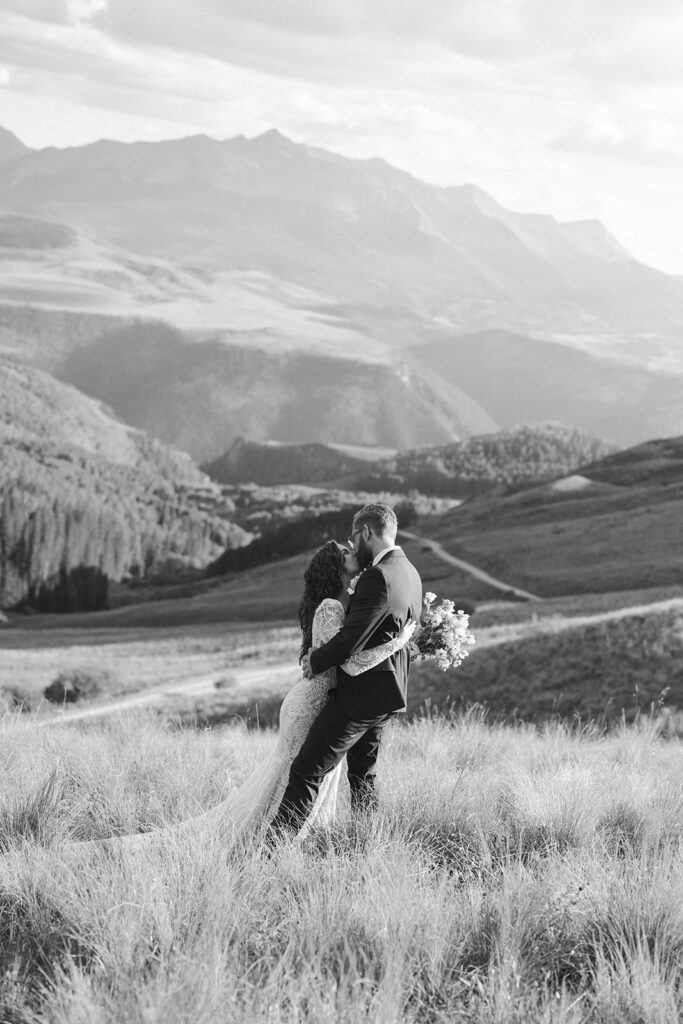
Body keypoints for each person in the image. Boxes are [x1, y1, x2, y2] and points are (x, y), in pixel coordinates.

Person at [101, 536, 415, 851]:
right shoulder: (332, 607)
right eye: (345, 552)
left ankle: (282, 843)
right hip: (312, 703)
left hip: (321, 700)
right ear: (335, 568)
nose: (353, 551)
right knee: (299, 773)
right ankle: (265, 847)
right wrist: (398, 641)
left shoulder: (340, 601)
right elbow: (343, 657)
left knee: (300, 773)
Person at [265, 503, 423, 842]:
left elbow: (351, 640)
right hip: (388, 693)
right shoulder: (410, 572)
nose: (352, 545)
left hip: (360, 698)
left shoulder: (378, 577)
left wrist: (315, 660)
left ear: (366, 532)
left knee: (307, 771)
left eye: (354, 537)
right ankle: (370, 842)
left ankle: (273, 850)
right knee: (364, 776)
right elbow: (394, 633)